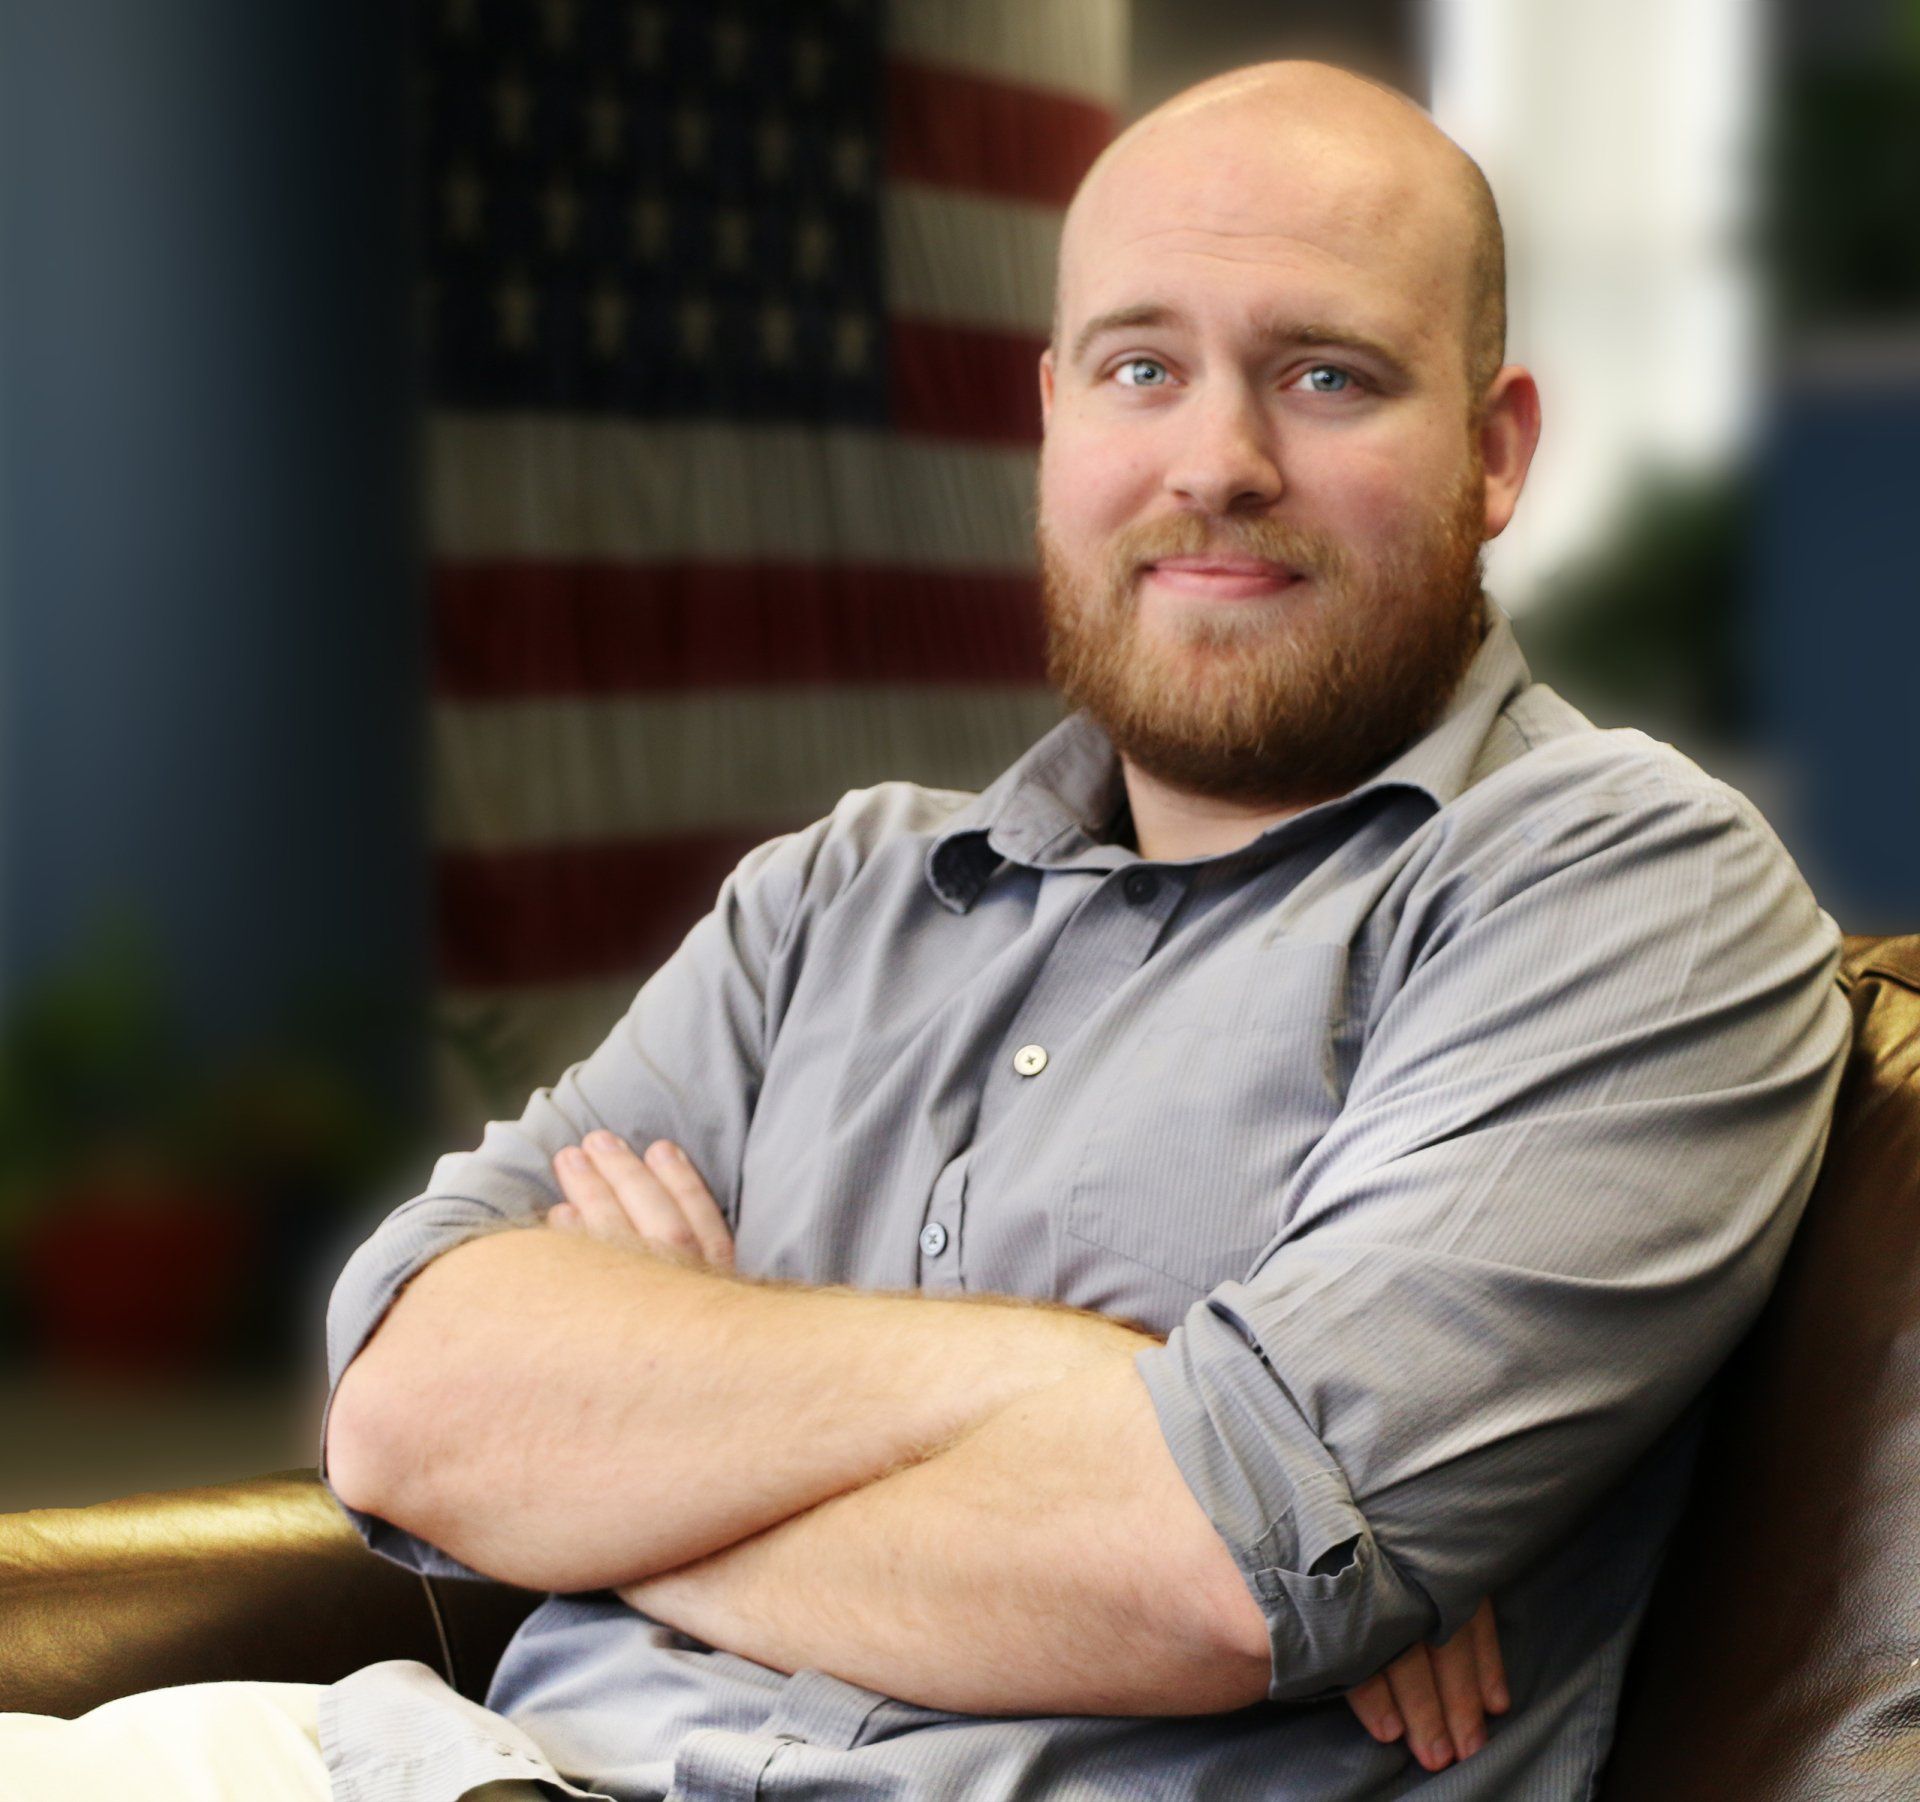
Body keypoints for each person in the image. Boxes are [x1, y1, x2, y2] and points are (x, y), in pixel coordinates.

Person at [5, 58, 1850, 1802]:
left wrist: (632, 1465)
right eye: (1142, 368)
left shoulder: (1623, 891)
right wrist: (1100, 1389)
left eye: (1326, 375)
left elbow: (1214, 1566)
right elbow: (408, 1406)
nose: (1216, 460)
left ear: (1496, 451)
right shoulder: (836, 894)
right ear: (1052, 418)